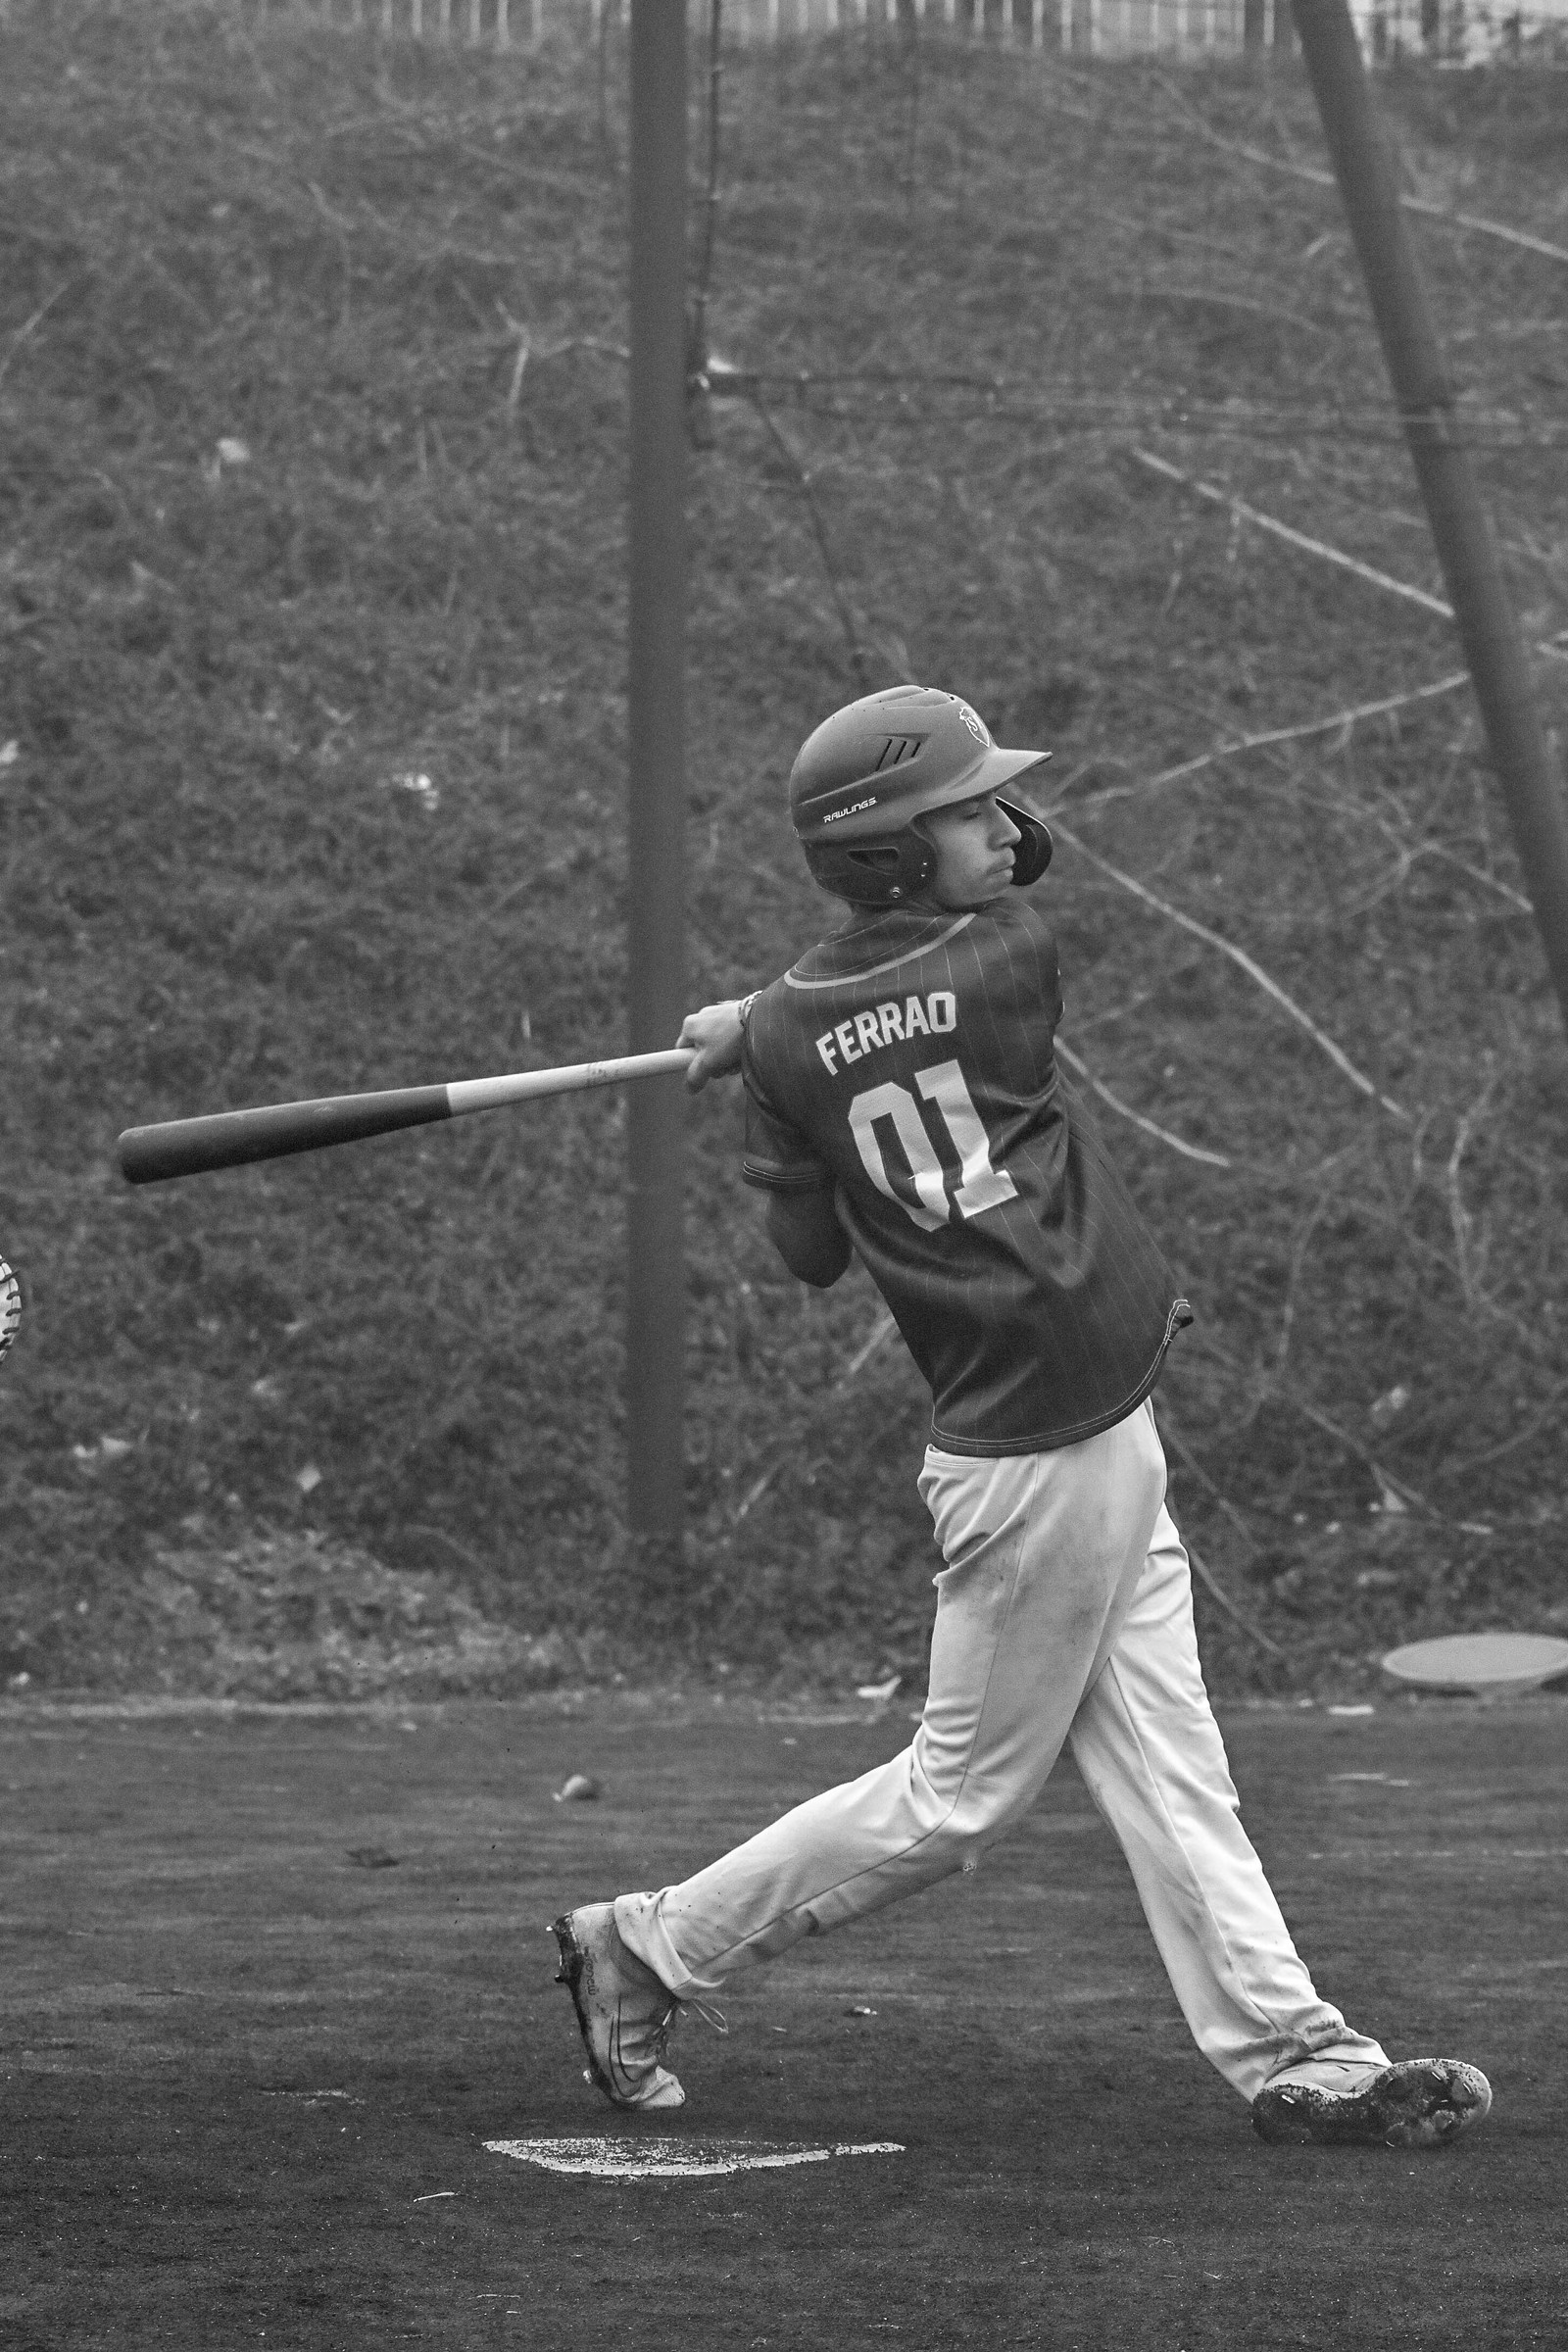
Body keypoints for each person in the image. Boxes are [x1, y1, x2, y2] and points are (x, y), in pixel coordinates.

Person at [552, 685, 1491, 2152]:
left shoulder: (799, 1037)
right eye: (965, 808)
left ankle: (1304, 2056)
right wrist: (779, 1027)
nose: (1002, 825)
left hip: (1081, 1426)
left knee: (1176, 1769)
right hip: (1036, 1453)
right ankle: (650, 1944)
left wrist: (763, 1054)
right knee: (959, 1801)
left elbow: (806, 1253)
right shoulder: (1006, 960)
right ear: (890, 857)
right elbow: (996, 910)